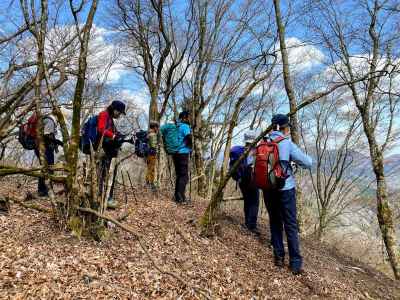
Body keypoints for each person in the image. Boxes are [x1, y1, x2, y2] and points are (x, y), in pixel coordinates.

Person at [263, 114, 312, 275]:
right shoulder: (286, 143)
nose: (288, 130)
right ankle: (295, 264)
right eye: (288, 127)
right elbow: (307, 163)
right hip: (285, 189)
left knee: (275, 222)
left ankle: (278, 257)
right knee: (290, 225)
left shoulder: (264, 141)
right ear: (284, 127)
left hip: (268, 188)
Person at [97, 100, 126, 209]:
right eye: (119, 112)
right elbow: (101, 129)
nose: (119, 115)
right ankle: (102, 198)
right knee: (102, 174)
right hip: (102, 151)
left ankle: (106, 197)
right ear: (115, 109)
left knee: (107, 174)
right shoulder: (104, 114)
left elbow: (111, 131)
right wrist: (113, 136)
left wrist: (120, 135)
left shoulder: (110, 119)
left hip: (108, 151)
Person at [34, 115, 62, 197]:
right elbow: (46, 135)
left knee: (45, 168)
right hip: (44, 149)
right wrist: (58, 142)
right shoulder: (50, 121)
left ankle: (42, 190)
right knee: (48, 169)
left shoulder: (46, 120)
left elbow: (47, 135)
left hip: (41, 148)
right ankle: (44, 191)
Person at [239, 130, 260, 235]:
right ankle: (251, 225)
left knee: (247, 200)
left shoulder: (241, 150)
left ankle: (247, 222)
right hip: (252, 178)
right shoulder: (255, 151)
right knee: (255, 201)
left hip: (241, 180)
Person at [172, 111, 192, 204]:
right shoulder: (185, 126)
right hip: (183, 153)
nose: (189, 119)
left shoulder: (176, 126)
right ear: (185, 118)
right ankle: (180, 198)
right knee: (184, 176)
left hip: (175, 153)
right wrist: (191, 147)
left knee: (179, 175)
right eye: (188, 117)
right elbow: (188, 138)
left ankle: (177, 196)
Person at [146, 121, 160, 191]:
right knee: (152, 169)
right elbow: (153, 145)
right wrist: (157, 145)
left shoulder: (148, 133)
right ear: (154, 127)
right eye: (157, 127)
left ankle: (147, 183)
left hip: (148, 153)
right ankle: (151, 185)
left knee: (149, 168)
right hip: (152, 153)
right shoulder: (153, 134)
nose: (157, 129)